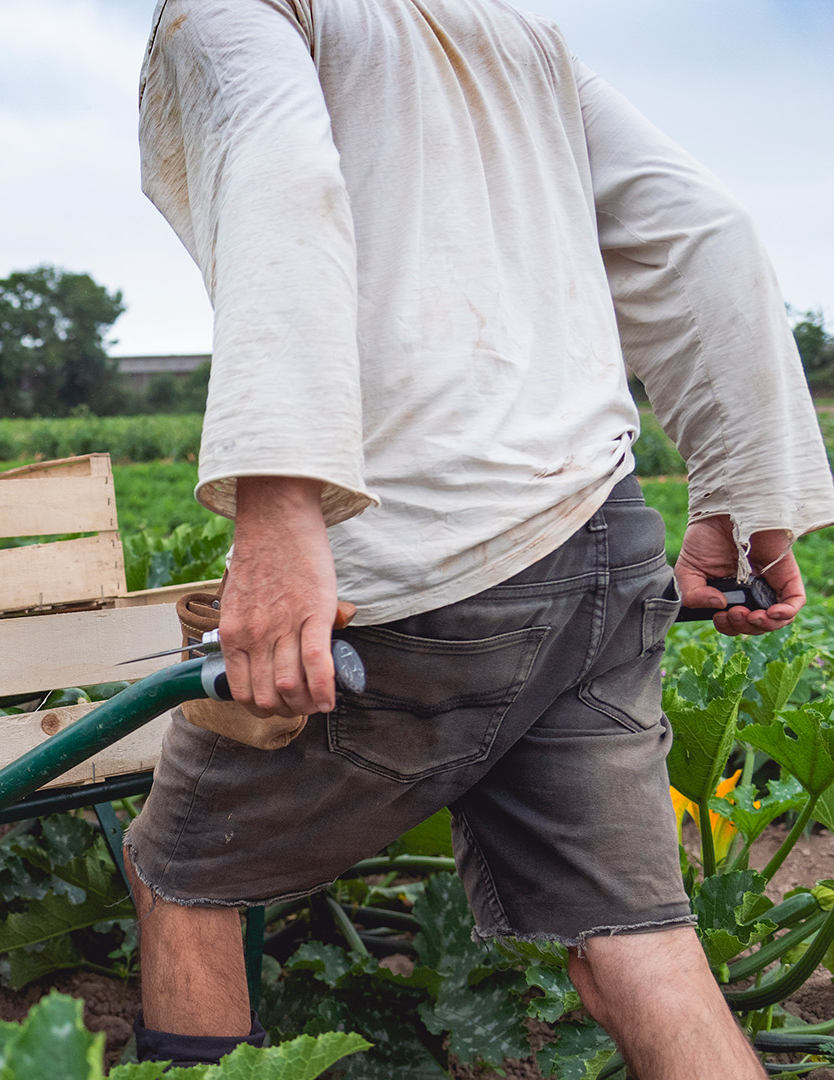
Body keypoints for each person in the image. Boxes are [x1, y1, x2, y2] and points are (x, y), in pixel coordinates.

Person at [125, 1, 834, 1076]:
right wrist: (745, 495)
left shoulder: (239, 12)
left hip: (420, 573)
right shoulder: (503, 26)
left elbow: (284, 186)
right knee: (634, 936)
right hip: (600, 542)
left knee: (182, 867)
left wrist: (279, 508)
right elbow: (703, 228)